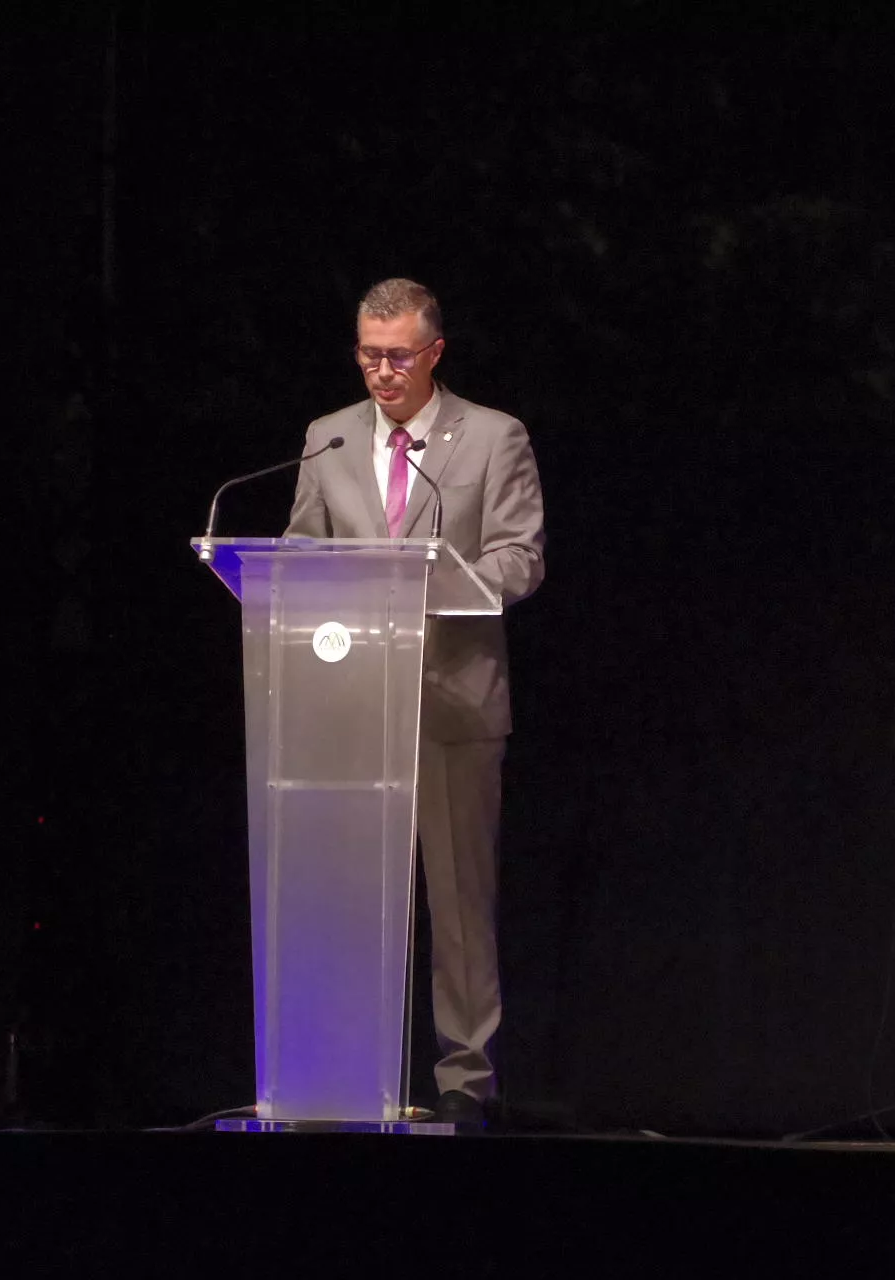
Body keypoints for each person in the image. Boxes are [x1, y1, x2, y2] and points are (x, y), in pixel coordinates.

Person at [285, 278, 546, 1131]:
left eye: (397, 356)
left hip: (453, 701)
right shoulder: (328, 439)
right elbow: (297, 549)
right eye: (368, 354)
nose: (381, 372)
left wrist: (441, 583)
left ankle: (465, 1079)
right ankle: (349, 1070)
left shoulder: (493, 437)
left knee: (459, 904)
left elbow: (520, 558)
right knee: (349, 895)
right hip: (353, 701)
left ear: (435, 353)